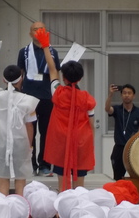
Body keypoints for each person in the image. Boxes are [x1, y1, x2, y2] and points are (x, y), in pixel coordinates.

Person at [34, 27, 96, 191]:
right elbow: (91, 124)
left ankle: (62, 211)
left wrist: (46, 46)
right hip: (81, 142)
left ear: (64, 77)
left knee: (63, 187)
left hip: (62, 142)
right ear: (81, 77)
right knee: (80, 189)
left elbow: (52, 69)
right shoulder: (87, 98)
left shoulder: (57, 92)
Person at [0, 34, 39, 195]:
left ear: (4, 80)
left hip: (0, 141)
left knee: (2, 183)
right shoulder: (28, 100)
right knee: (20, 183)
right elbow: (30, 126)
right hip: (21, 143)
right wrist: (30, 147)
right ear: (21, 78)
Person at [17, 21, 60, 177]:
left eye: (42, 29)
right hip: (29, 96)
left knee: (46, 132)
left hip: (47, 97)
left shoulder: (52, 52)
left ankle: (44, 164)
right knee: (29, 132)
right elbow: (20, 73)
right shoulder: (24, 52)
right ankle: (30, 163)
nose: (38, 32)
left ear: (46, 32)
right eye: (35, 30)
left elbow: (56, 73)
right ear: (30, 33)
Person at [105, 84, 139, 181]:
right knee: (118, 178)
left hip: (133, 149)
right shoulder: (117, 109)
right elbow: (107, 109)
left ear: (134, 96)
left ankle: (136, 196)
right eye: (124, 93)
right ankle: (120, 196)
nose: (127, 95)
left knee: (137, 178)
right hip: (119, 148)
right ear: (121, 96)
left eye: (129, 93)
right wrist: (110, 94)